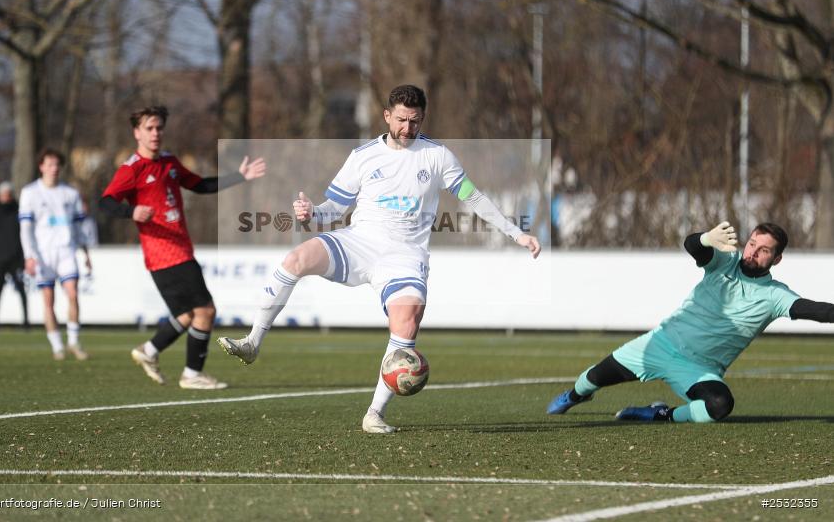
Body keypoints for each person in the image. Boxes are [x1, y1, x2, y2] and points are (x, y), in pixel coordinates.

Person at [217, 85, 542, 433]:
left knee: (407, 321)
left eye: (414, 121)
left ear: (423, 119)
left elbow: (473, 198)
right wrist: (311, 213)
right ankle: (253, 342)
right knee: (297, 258)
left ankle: (374, 414)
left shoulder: (437, 156)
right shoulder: (362, 156)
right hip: (360, 241)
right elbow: (333, 211)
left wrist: (515, 232)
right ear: (387, 116)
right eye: (401, 120)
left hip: (405, 255)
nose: (407, 128)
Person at [546, 221, 834, 423]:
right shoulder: (725, 261)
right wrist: (707, 239)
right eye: (752, 244)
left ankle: (661, 415)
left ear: (777, 259)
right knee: (589, 381)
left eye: (764, 250)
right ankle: (574, 396)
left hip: (699, 369)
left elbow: (819, 311)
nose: (753, 252)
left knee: (719, 406)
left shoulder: (775, 296)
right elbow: (693, 245)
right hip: (659, 344)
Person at [100, 105, 266, 390]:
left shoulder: (168, 162)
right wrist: (131, 212)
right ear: (136, 132)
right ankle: (192, 374)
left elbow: (199, 185)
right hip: (164, 252)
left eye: (159, 127)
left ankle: (149, 351)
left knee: (187, 316)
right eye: (149, 128)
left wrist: (239, 176)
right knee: (206, 311)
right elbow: (104, 202)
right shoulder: (131, 169)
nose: (155, 133)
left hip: (178, 249)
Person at [19, 149, 92, 360]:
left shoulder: (70, 193)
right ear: (41, 166)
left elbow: (79, 228)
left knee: (73, 294)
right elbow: (26, 228)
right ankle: (57, 346)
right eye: (49, 164)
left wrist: (85, 253)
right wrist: (29, 256)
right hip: (43, 254)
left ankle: (74, 342)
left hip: (66, 250)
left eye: (57, 164)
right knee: (48, 301)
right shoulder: (30, 193)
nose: (54, 168)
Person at [0, 181, 29, 329]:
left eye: (8, 195)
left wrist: (24, 257)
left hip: (15, 259)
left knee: (21, 290)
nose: (5, 198)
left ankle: (26, 321)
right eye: (3, 195)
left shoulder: (18, 213)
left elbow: (25, 235)